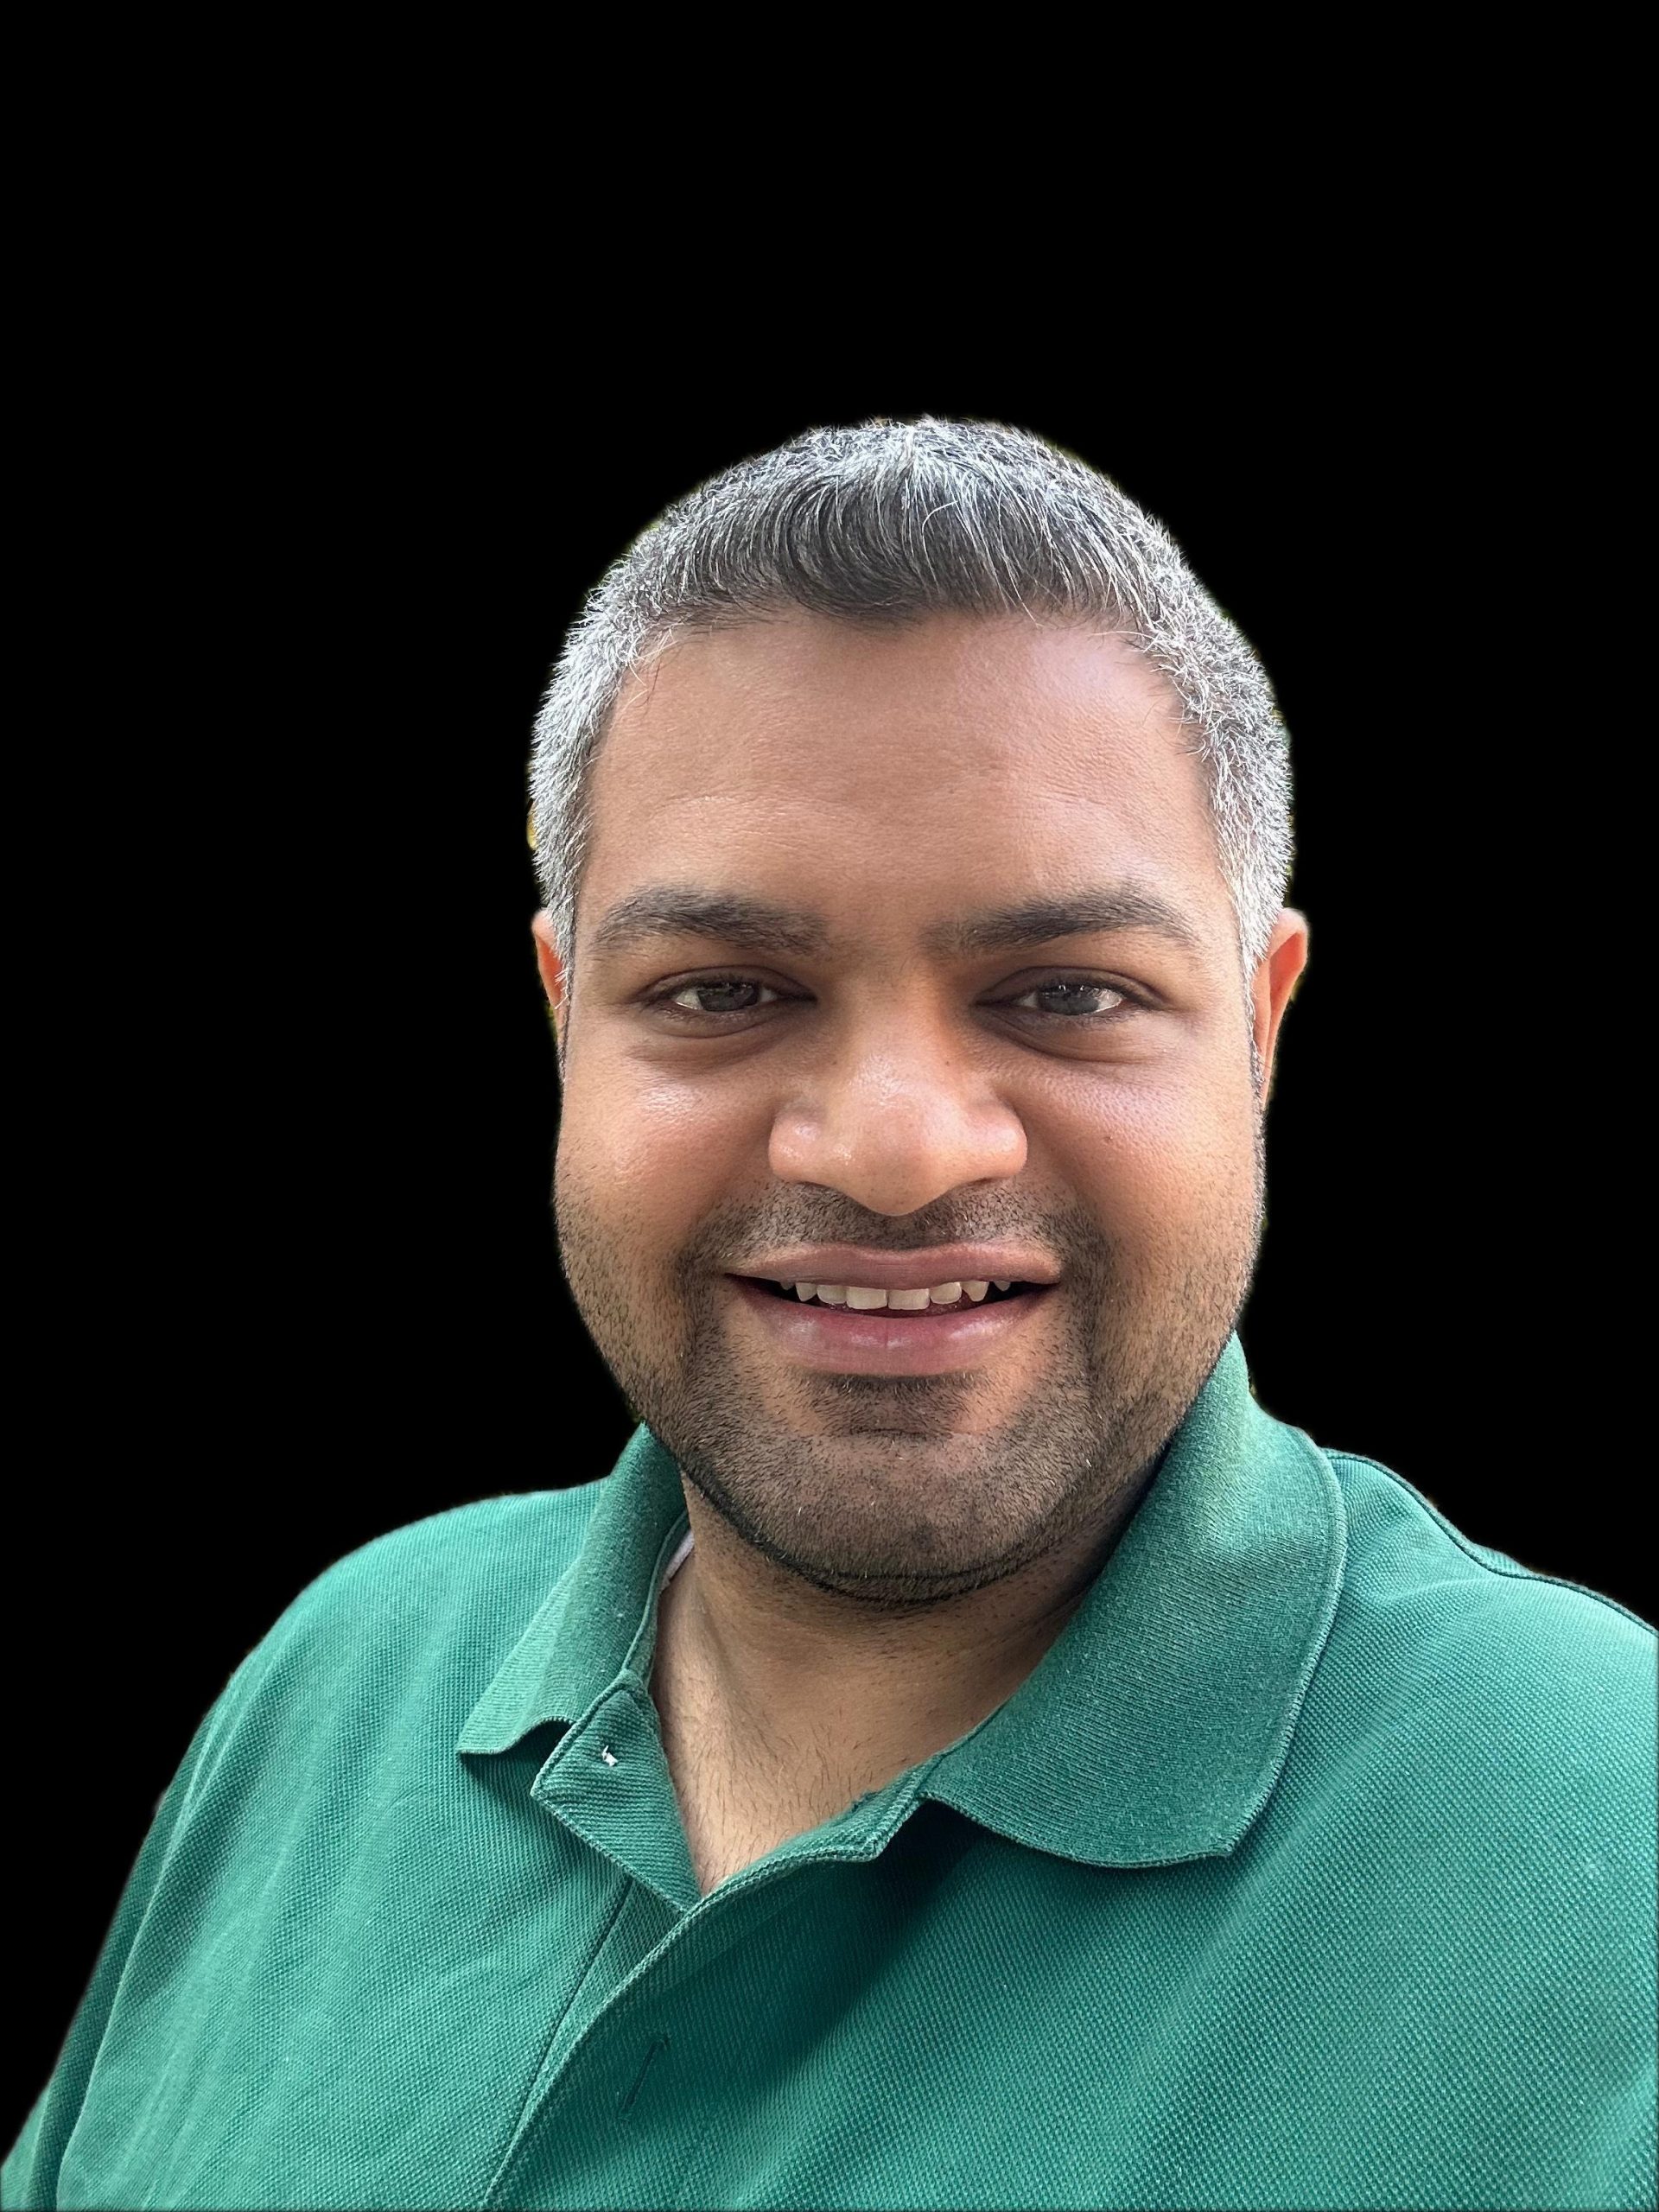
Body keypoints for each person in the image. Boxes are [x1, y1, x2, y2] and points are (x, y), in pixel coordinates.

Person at [8, 419, 1653, 2210]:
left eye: (1066, 992)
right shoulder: (346, 1675)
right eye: (726, 990)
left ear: (1262, 1028)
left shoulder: (1612, 1846)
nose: (893, 1148)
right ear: (564, 1014)